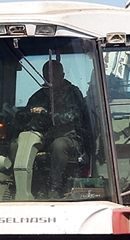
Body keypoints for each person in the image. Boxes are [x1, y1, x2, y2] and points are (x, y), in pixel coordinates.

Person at [22, 60, 90, 195]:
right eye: (47, 76)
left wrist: (45, 113)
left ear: (62, 75)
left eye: (54, 76)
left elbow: (71, 116)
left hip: (71, 138)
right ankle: (22, 188)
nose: (50, 79)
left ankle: (54, 188)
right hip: (44, 137)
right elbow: (26, 114)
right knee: (19, 144)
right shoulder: (39, 96)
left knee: (59, 145)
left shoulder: (72, 93)